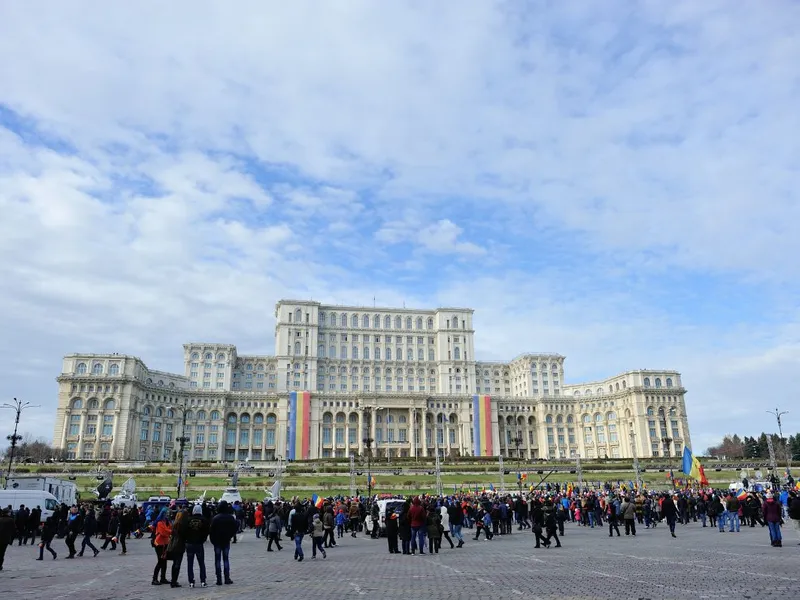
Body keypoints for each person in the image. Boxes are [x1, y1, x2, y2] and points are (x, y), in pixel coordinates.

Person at [209, 501, 236, 585]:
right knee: (226, 559)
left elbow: (211, 531)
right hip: (226, 540)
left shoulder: (215, 518)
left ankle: (219, 579)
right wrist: (230, 536)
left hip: (217, 541)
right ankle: (227, 578)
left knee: (217, 560)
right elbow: (234, 529)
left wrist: (213, 540)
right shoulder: (230, 517)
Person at [183, 504, 209, 588]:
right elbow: (206, 531)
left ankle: (191, 581)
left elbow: (184, 531)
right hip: (199, 544)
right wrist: (203, 540)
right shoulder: (203, 520)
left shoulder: (188, 520)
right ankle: (203, 581)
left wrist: (186, 540)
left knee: (190, 564)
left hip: (189, 543)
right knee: (201, 563)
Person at [168, 510, 187, 588]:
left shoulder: (175, 524)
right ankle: (174, 581)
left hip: (173, 545)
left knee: (174, 563)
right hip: (179, 545)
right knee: (177, 564)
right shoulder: (182, 525)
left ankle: (173, 580)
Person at [152, 512, 172, 585]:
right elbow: (163, 532)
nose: (168, 515)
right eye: (167, 514)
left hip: (165, 543)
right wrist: (171, 532)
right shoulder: (159, 523)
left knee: (164, 561)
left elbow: (169, 528)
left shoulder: (166, 522)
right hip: (159, 544)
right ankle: (154, 579)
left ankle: (163, 578)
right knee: (160, 561)